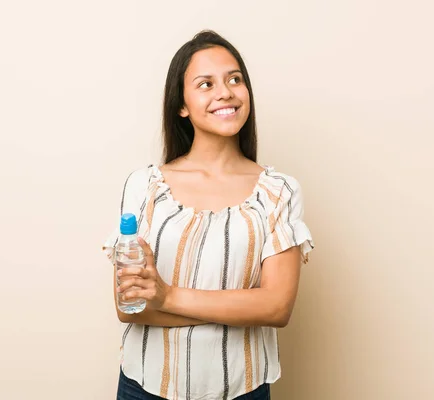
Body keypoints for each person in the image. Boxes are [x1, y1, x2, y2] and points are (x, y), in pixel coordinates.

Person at [102, 30, 315, 400]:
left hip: (241, 389)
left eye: (235, 79)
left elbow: (277, 307)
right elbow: (130, 309)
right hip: (145, 388)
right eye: (206, 84)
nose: (226, 92)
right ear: (181, 105)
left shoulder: (280, 191)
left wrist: (166, 297)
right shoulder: (144, 186)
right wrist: (240, 307)